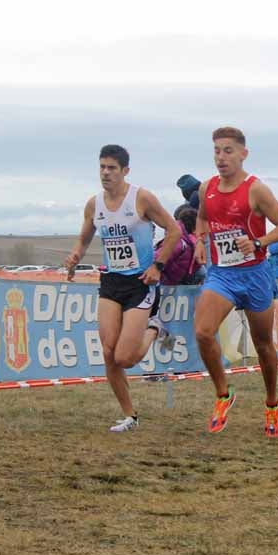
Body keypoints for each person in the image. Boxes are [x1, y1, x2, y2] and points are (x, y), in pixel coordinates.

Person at [64, 144, 181, 433]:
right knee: (107, 351)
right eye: (102, 167)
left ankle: (155, 328)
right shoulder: (94, 205)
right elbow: (85, 237)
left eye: (111, 168)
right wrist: (76, 256)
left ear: (125, 171)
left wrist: (158, 266)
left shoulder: (140, 198)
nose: (105, 173)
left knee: (124, 358)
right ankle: (130, 415)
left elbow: (174, 230)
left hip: (141, 283)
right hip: (112, 282)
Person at [193, 126, 278, 437]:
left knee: (264, 345)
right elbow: (203, 217)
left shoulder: (255, 189)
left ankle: (272, 405)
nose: (221, 157)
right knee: (203, 331)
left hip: (255, 275)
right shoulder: (206, 187)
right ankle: (224, 394)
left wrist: (259, 242)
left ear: (242, 154)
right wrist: (199, 240)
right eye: (216, 151)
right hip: (222, 274)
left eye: (227, 151)